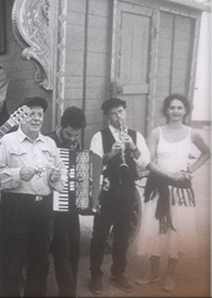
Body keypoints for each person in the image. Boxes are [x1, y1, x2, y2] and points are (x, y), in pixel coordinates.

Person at [0, 96, 67, 297]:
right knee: (12, 262)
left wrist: (55, 177)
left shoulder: (50, 144)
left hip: (42, 207)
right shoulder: (7, 142)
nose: (36, 118)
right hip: (15, 207)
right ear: (21, 117)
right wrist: (19, 174)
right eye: (30, 114)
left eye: (39, 114)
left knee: (40, 262)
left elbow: (60, 175)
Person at [135, 94, 210, 292]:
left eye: (179, 108)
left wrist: (190, 170)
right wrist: (169, 174)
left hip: (181, 191)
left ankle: (169, 276)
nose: (175, 111)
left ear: (185, 110)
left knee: (175, 231)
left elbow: (207, 152)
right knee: (155, 230)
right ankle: (154, 272)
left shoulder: (192, 133)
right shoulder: (156, 133)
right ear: (166, 110)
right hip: (158, 188)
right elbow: (148, 162)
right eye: (172, 108)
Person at [88, 97, 150, 295]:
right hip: (107, 189)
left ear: (125, 112)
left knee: (123, 234)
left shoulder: (135, 135)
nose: (118, 116)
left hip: (128, 188)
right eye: (114, 113)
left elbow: (145, 162)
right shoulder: (99, 136)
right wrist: (109, 154)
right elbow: (93, 165)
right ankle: (95, 275)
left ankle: (118, 273)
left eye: (121, 112)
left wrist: (132, 147)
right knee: (100, 233)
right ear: (108, 116)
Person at [45, 106, 87, 297]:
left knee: (75, 247)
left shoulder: (76, 144)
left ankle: (70, 289)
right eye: (69, 134)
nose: (72, 139)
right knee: (62, 249)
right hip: (50, 205)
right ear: (61, 126)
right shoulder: (47, 141)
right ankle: (68, 293)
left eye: (76, 135)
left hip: (70, 205)